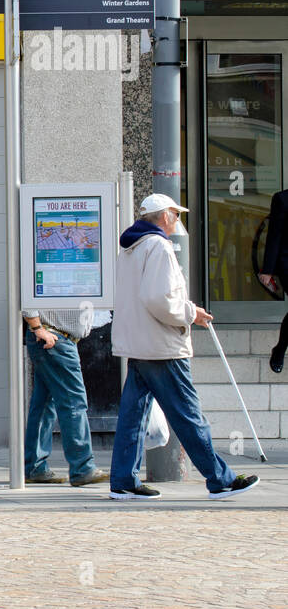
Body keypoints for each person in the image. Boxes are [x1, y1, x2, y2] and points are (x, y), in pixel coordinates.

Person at [110, 193, 259, 500]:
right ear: (164, 216)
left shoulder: (131, 247)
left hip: (139, 343)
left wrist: (189, 310)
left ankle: (124, 481)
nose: (177, 221)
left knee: (132, 417)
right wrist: (190, 313)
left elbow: (146, 296)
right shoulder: (159, 246)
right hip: (162, 345)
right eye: (175, 215)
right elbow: (158, 299)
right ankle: (220, 479)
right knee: (188, 414)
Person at [20, 308, 109, 486]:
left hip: (53, 338)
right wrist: (38, 328)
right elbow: (28, 298)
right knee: (73, 403)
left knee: (44, 406)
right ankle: (82, 468)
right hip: (54, 339)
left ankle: (34, 467)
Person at [257, 187, 288, 372]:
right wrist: (267, 269)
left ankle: (279, 348)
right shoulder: (282, 199)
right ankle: (280, 349)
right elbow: (274, 235)